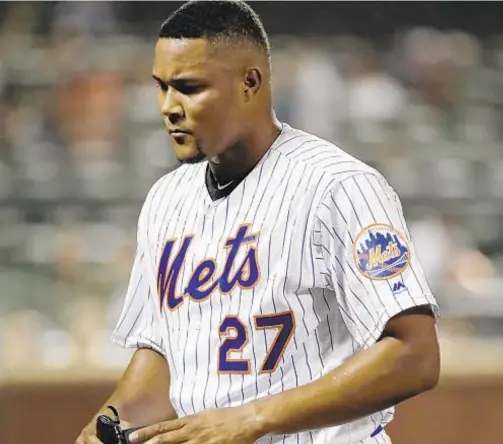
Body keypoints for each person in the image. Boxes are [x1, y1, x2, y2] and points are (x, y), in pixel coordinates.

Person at [75, 1, 440, 443]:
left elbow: (415, 354)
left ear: (250, 81)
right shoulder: (165, 200)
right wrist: (111, 420)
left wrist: (253, 417)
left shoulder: (339, 186)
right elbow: (164, 353)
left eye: (189, 87)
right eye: (162, 87)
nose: (168, 106)